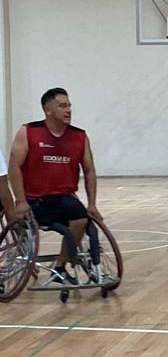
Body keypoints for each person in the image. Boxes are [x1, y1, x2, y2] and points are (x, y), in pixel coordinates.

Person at [8, 87, 102, 284]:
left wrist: (92, 204)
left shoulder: (79, 136)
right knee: (60, 220)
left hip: (65, 198)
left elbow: (90, 171)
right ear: (47, 110)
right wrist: (20, 201)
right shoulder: (29, 132)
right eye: (62, 106)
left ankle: (59, 267)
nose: (68, 110)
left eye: (69, 106)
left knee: (81, 220)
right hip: (35, 201)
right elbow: (14, 167)